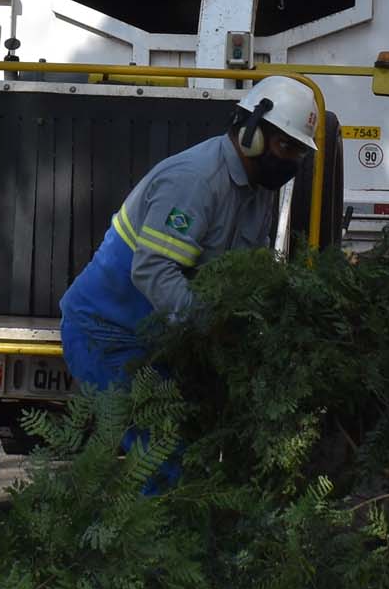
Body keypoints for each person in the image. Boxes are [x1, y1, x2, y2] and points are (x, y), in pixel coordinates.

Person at [58, 75, 322, 403]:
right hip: (108, 332)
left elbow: (249, 271)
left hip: (162, 339)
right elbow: (153, 271)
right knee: (162, 449)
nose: (291, 162)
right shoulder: (195, 181)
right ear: (250, 134)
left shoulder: (259, 191)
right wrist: (213, 329)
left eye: (298, 152)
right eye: (286, 146)